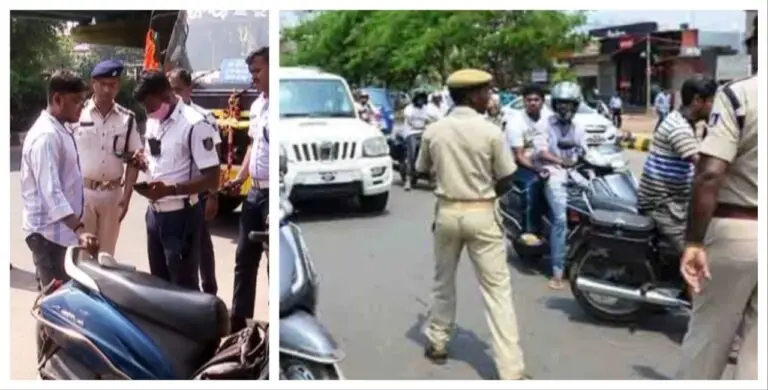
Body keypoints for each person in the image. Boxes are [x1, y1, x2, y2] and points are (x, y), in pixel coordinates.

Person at [415, 69, 527, 380]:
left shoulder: (435, 130)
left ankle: (437, 342)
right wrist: (487, 191)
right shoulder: (491, 131)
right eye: (487, 92)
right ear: (472, 95)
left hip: (447, 212)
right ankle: (510, 369)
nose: (490, 98)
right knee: (497, 292)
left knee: (443, 283)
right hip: (482, 212)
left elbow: (421, 170)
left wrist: (449, 179)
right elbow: (507, 176)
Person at [675, 15, 758, 380]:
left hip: (739, 230)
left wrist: (693, 241)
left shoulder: (739, 94)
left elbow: (710, 173)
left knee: (708, 340)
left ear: (755, 45)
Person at [132, 70, 221, 290]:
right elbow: (156, 155)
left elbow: (212, 176)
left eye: (151, 106)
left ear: (166, 94)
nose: (148, 112)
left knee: (183, 287)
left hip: (181, 216)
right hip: (154, 214)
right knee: (159, 283)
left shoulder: (195, 124)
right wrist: (142, 161)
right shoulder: (154, 121)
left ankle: (190, 326)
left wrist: (170, 190)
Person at [21, 70, 99, 289]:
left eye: (82, 101)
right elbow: (51, 192)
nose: (81, 107)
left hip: (61, 234)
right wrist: (80, 229)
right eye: (76, 101)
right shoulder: (46, 136)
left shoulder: (59, 128)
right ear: (57, 99)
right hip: (49, 236)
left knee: (64, 300)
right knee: (58, 305)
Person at [637, 78, 717, 253]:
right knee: (694, 254)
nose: (714, 106)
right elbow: (705, 169)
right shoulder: (678, 128)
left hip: (678, 201)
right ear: (697, 101)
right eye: (711, 101)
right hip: (662, 205)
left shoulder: (692, 123)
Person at [73, 60, 141, 256]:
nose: (107, 90)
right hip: (84, 194)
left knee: (106, 255)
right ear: (93, 83)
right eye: (103, 84)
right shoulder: (78, 114)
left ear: (118, 86)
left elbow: (134, 161)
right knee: (83, 255)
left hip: (113, 195)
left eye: (112, 85)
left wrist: (127, 196)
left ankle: (101, 288)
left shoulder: (127, 119)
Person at [225, 47, 270, 333]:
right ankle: (239, 324)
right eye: (251, 72)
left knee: (273, 263)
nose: (253, 78)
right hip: (254, 194)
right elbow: (254, 147)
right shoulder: (257, 106)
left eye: (257, 71)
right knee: (244, 259)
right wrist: (239, 178)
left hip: (273, 196)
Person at [168, 67, 222, 295]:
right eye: (170, 90)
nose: (174, 95)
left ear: (189, 89)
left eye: (178, 90)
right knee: (182, 248)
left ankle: (209, 291)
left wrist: (212, 196)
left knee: (202, 244)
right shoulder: (165, 119)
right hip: (174, 196)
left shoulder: (203, 119)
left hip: (197, 191)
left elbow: (214, 163)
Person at [533, 81, 589, 290]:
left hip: (575, 173)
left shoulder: (579, 127)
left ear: (576, 105)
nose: (565, 108)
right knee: (560, 219)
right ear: (555, 105)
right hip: (553, 172)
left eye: (569, 104)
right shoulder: (544, 124)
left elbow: (585, 149)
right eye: (561, 104)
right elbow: (541, 151)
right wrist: (560, 161)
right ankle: (557, 271)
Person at [503, 84, 550, 242]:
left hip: (546, 162)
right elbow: (519, 156)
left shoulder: (549, 119)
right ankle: (530, 231)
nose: (532, 103)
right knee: (533, 185)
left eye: (536, 99)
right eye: (529, 100)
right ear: (523, 102)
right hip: (522, 165)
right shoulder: (515, 122)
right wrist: (538, 169)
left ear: (542, 102)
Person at [399, 89, 431, 191]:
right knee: (411, 155)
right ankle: (408, 180)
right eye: (419, 98)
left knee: (431, 151)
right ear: (416, 99)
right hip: (411, 133)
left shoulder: (426, 109)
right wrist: (419, 126)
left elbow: (432, 119)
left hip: (423, 133)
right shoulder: (409, 109)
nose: (421, 101)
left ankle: (432, 177)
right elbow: (409, 119)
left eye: (422, 98)